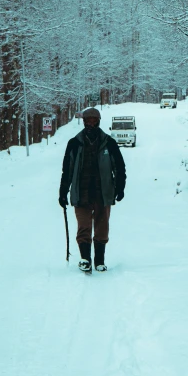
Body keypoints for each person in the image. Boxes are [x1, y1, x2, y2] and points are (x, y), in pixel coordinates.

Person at [59, 107, 126, 273]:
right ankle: (85, 259)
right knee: (84, 226)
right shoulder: (74, 143)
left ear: (98, 121)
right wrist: (62, 192)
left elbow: (119, 167)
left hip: (103, 193)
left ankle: (100, 261)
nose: (90, 124)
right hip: (81, 193)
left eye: (93, 121)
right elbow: (67, 170)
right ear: (83, 122)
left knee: (102, 227)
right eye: (87, 121)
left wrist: (120, 187)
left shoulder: (109, 143)